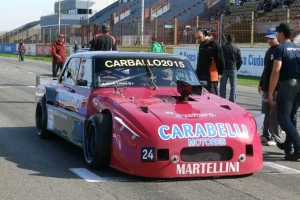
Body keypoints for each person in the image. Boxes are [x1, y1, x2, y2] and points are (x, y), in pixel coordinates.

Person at [268, 22, 300, 161]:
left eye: (277, 32)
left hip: (287, 85)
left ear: (281, 34)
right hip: (298, 85)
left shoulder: (279, 49)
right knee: (291, 116)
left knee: (283, 118)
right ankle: (289, 146)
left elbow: (276, 71)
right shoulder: (298, 48)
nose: (276, 35)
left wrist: (270, 92)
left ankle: (298, 147)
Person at [258, 27, 281, 146]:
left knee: (274, 114)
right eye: (267, 38)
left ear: (277, 36)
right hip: (266, 87)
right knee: (265, 112)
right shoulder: (269, 51)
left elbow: (279, 72)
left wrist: (277, 88)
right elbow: (266, 69)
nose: (269, 40)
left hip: (275, 88)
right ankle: (266, 134)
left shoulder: (280, 50)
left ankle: (274, 136)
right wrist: (261, 83)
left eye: (271, 38)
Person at [194, 28, 225, 95]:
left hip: (211, 78)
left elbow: (220, 60)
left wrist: (220, 73)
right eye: (197, 38)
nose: (198, 40)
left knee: (212, 97)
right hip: (201, 76)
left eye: (200, 37)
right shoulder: (201, 44)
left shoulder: (214, 44)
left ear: (205, 34)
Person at [219, 34, 242, 103]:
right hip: (233, 68)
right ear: (233, 39)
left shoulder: (222, 47)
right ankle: (232, 101)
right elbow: (240, 61)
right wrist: (236, 68)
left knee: (222, 86)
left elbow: (219, 59)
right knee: (233, 86)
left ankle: (222, 100)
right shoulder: (237, 47)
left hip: (224, 69)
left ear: (226, 39)